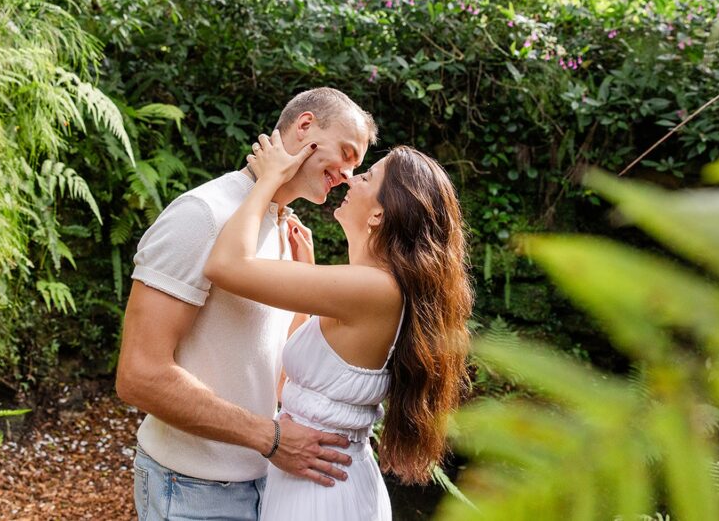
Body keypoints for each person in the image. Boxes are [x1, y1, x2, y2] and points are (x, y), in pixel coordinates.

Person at [116, 88, 378, 521]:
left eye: (358, 167)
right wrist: (272, 438)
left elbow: (278, 369)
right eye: (347, 154)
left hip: (266, 484)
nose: (349, 176)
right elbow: (139, 375)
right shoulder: (202, 214)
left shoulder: (280, 226)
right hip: (191, 491)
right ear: (305, 125)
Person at [203, 130, 473, 520]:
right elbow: (291, 381)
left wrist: (268, 179)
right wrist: (304, 271)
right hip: (317, 476)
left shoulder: (374, 288)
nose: (351, 177)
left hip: (321, 493)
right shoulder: (370, 286)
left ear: (379, 214)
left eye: (367, 177)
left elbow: (225, 266)